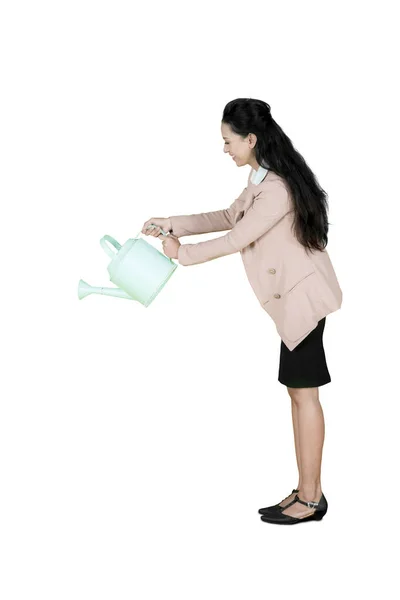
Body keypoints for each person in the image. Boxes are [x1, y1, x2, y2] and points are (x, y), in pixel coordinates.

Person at [142, 98, 342, 525]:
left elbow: (237, 238)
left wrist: (184, 254)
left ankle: (311, 500)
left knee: (304, 396)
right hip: (292, 302)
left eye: (229, 141)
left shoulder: (276, 189)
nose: (225, 149)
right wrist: (172, 223)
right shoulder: (261, 179)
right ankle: (308, 490)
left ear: (251, 139)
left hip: (302, 302)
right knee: (297, 393)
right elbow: (229, 216)